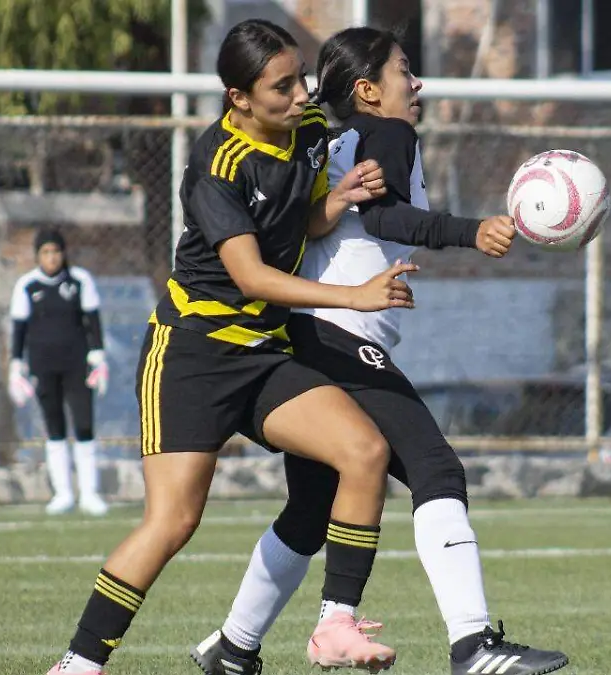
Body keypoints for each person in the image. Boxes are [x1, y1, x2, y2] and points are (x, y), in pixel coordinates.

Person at [189, 27, 571, 675]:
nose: (416, 84)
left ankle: (234, 644)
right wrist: (472, 231)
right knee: (437, 470)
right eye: (404, 72)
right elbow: (388, 218)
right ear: (368, 90)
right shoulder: (388, 133)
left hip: (304, 334)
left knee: (311, 509)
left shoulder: (330, 140)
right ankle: (472, 644)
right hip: (339, 334)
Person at [46, 18, 420, 675]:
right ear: (238, 98)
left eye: (300, 77)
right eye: (281, 86)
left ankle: (334, 624)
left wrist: (333, 204)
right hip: (190, 356)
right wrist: (355, 296)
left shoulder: (306, 134)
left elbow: (292, 221)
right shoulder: (215, 164)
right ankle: (79, 663)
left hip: (262, 353)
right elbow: (250, 274)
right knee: (173, 523)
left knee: (363, 451)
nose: (300, 94)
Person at [8, 228, 110, 517]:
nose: (51, 258)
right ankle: (63, 493)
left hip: (77, 365)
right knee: (54, 429)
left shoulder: (80, 281)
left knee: (84, 426)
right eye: (45, 252)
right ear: (38, 255)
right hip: (43, 366)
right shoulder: (27, 285)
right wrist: (16, 366)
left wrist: (98, 357)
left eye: (56, 251)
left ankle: (90, 493)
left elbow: (93, 323)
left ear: (64, 253)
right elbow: (19, 330)